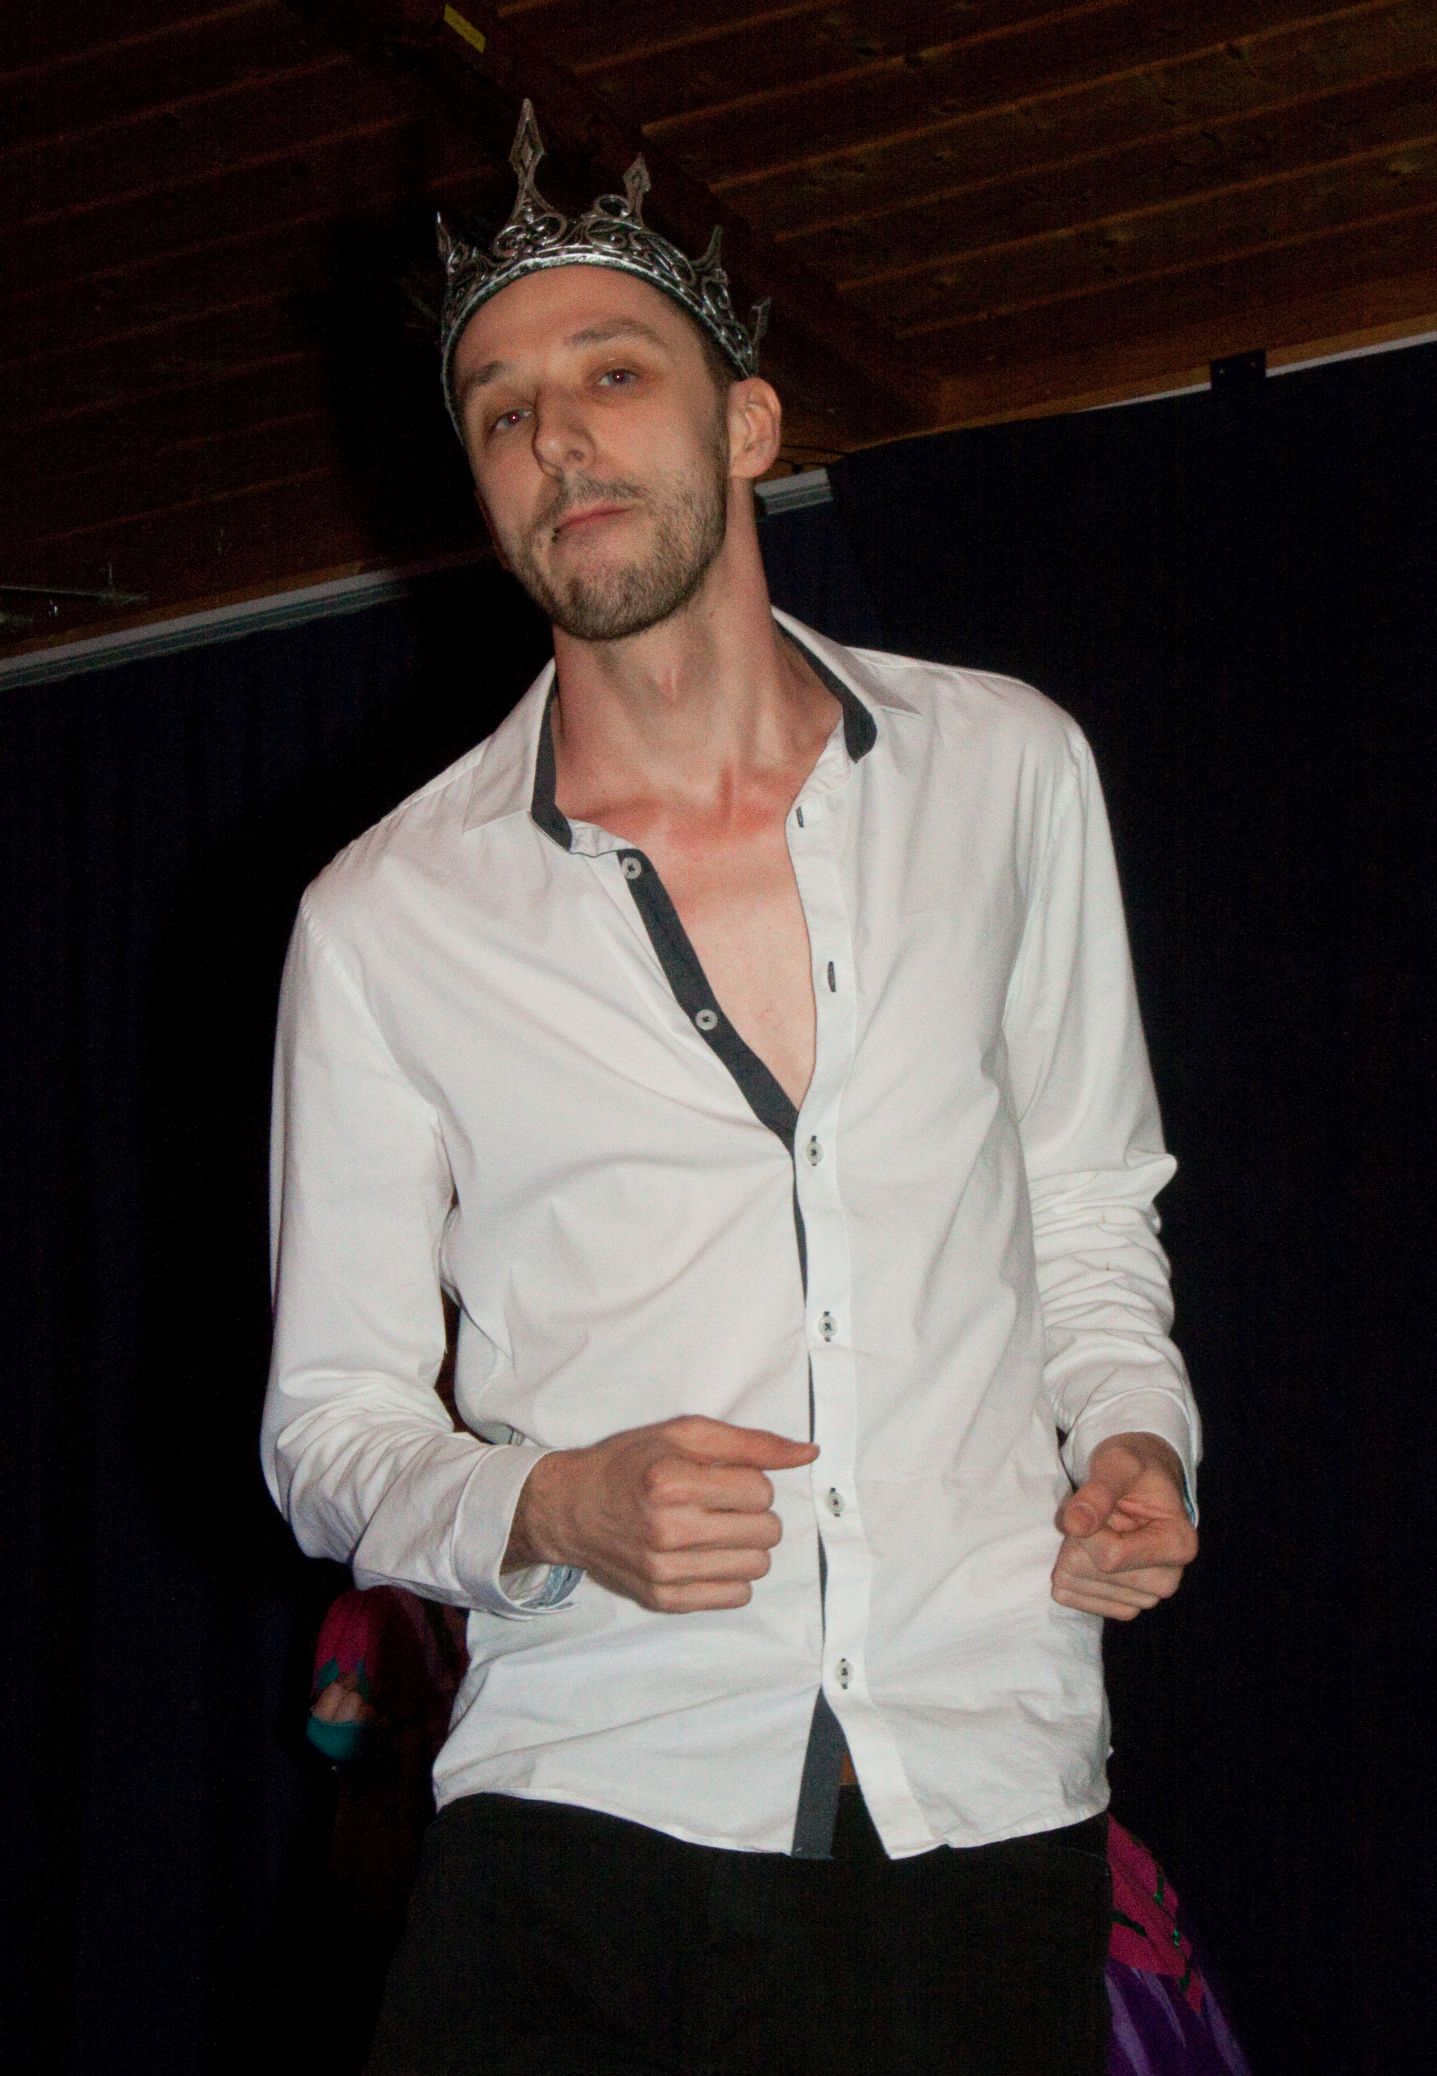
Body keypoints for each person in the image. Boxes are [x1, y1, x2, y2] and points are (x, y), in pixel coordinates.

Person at [261, 102, 1201, 2076]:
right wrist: (547, 1501)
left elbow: (1085, 1202)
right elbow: (329, 1428)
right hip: (593, 1797)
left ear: (747, 425)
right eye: (502, 412)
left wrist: (1135, 1436)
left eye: (611, 374)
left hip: (983, 1782)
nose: (557, 438)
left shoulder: (1004, 770)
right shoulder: (385, 918)